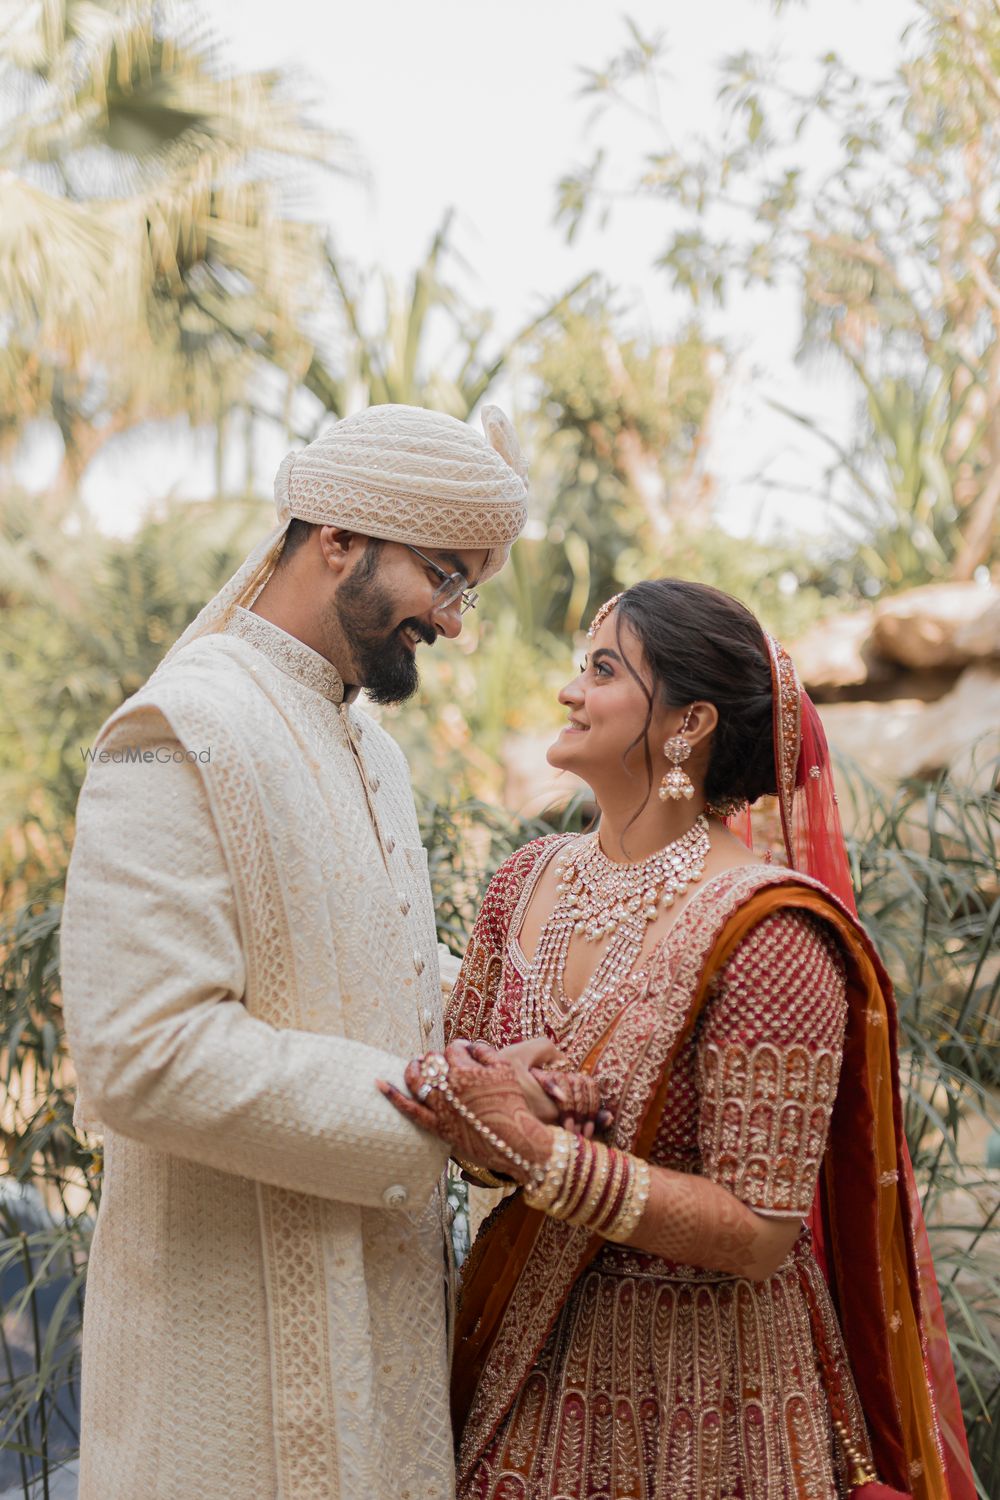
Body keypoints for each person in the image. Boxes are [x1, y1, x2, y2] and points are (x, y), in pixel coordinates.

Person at [381, 579, 977, 1500]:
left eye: (605, 670)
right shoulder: (522, 884)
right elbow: (474, 1137)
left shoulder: (770, 932)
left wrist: (546, 1154)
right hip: (529, 1364)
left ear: (688, 726)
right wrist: (496, 1112)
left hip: (712, 1399)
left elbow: (759, 1233)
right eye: (583, 666)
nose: (570, 691)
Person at [59, 404, 534, 1500]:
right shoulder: (180, 730)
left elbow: (378, 977)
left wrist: (502, 1067)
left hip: (384, 1346)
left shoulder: (372, 751)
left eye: (469, 591)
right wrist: (428, 1107)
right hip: (224, 1380)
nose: (455, 622)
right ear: (338, 538)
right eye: (445, 577)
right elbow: (141, 1052)